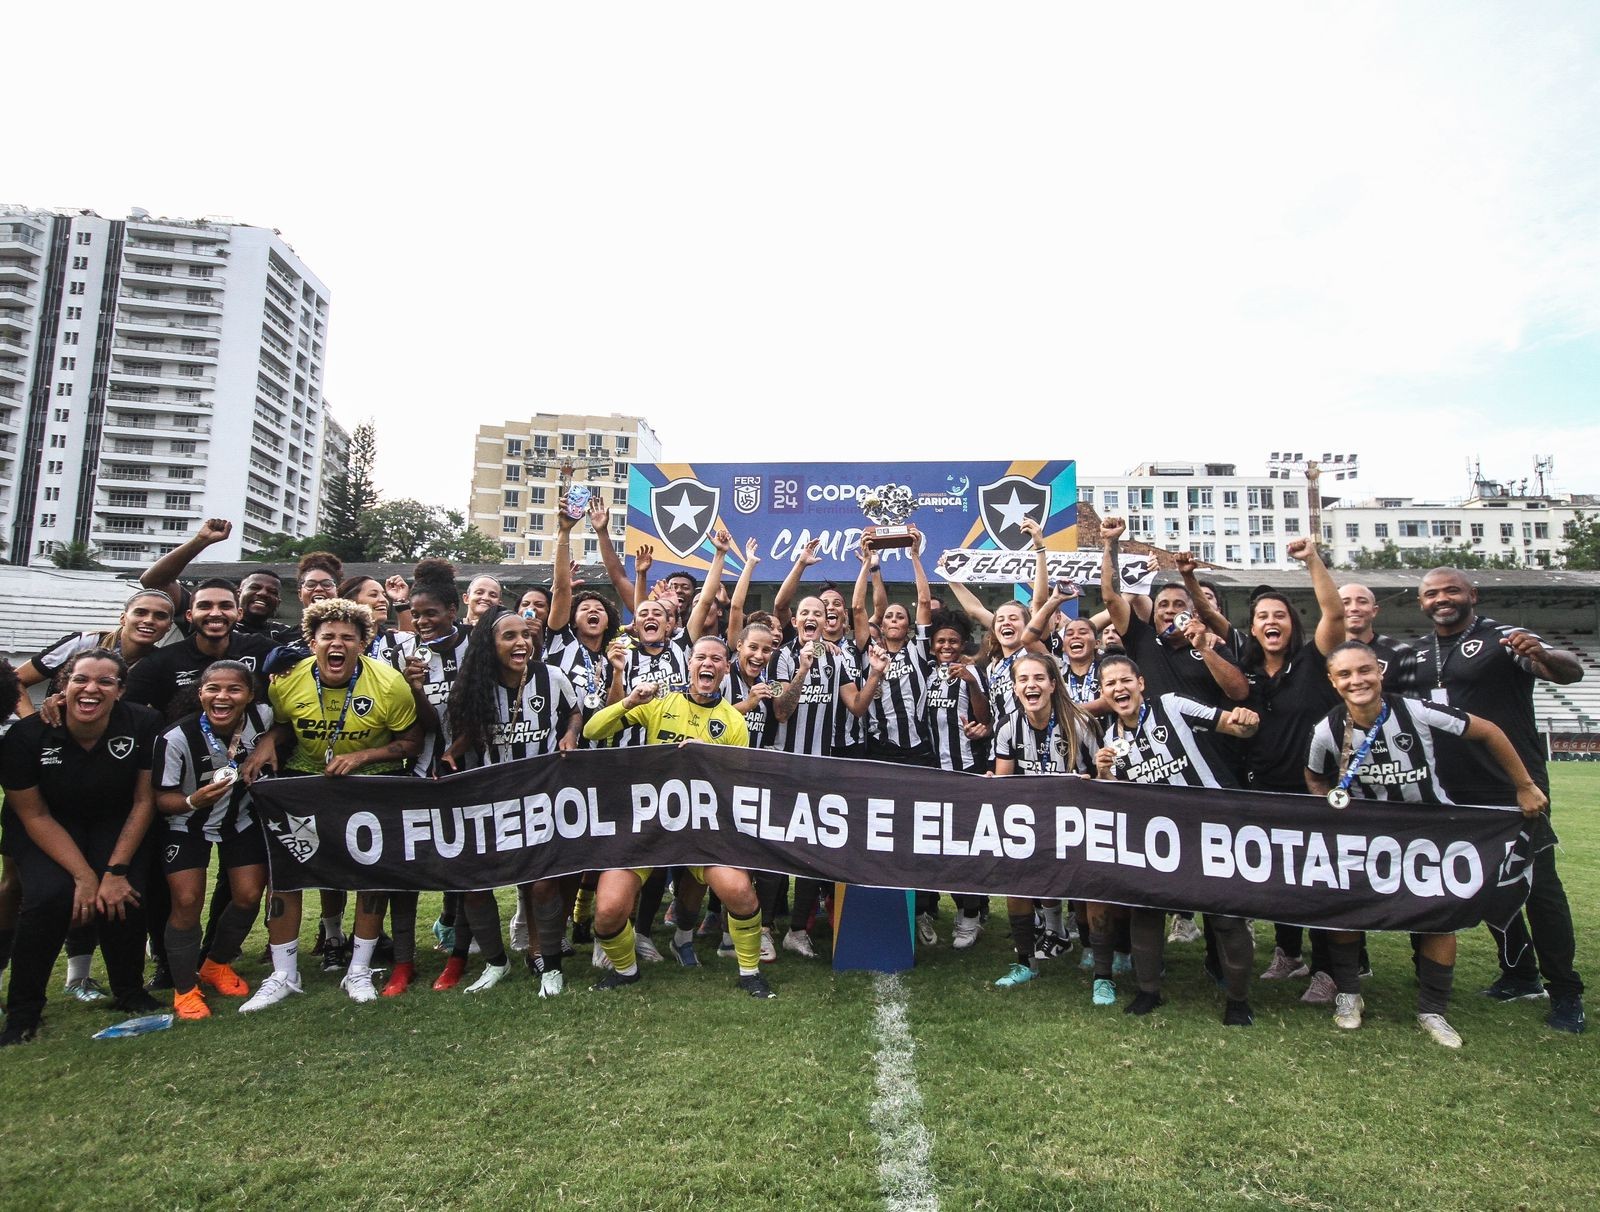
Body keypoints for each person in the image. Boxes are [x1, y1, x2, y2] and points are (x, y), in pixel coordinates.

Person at [1306, 640, 1549, 1046]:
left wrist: (1524, 785)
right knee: (1345, 912)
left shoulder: (1414, 711)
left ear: (1379, 672)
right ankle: (1349, 995)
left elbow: (1488, 730)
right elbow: (1316, 777)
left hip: (1429, 833)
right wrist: (1328, 807)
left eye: (1364, 670)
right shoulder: (1327, 730)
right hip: (1367, 835)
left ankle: (1433, 1009)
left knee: (1438, 916)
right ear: (1333, 682)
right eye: (1345, 674)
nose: (1357, 680)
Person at [1391, 567, 1586, 1034]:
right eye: (1431, 593)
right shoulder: (1415, 652)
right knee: (1477, 886)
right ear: (1421, 603)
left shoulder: (1505, 639)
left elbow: (1567, 671)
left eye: (1451, 590)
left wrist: (1542, 652)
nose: (1442, 599)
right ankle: (1518, 974)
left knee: (1539, 889)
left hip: (1511, 784)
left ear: (1471, 594)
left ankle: (1565, 991)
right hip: (1446, 790)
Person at [235, 599, 424, 1010]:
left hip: (369, 786)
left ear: (362, 644)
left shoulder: (388, 683)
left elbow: (411, 743)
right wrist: (270, 740)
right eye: (328, 637)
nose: (336, 644)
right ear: (312, 641)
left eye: (347, 638)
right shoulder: (286, 681)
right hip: (305, 784)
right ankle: (283, 973)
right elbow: (283, 725)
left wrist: (363, 757)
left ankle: (359, 969)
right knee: (288, 873)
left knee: (371, 877)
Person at [581, 637, 777, 999]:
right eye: (700, 657)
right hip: (650, 822)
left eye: (716, 659)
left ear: (725, 668)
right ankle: (626, 971)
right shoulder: (659, 703)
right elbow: (592, 731)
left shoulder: (733, 721)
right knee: (608, 912)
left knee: (739, 893)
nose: (708, 663)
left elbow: (736, 785)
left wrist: (707, 761)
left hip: (702, 826)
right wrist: (629, 701)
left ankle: (749, 974)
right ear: (690, 664)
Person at [0, 651, 164, 1045]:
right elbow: (34, 815)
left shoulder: (143, 723)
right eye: (81, 680)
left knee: (124, 895)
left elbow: (144, 802)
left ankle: (128, 990)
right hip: (48, 825)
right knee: (49, 898)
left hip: (114, 820)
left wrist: (114, 872)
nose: (91, 689)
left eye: (105, 682)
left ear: (121, 690)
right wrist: (84, 876)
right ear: (63, 686)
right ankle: (24, 1011)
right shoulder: (26, 737)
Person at [1091, 654, 1261, 1025]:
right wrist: (1104, 773)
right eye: (1110, 684)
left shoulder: (1172, 706)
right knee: (1146, 913)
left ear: (1141, 683)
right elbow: (1117, 795)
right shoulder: (1109, 738)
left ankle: (1237, 999)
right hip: (1157, 840)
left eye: (1125, 680)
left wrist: (1247, 721)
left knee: (1226, 917)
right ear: (1103, 693)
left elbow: (1234, 727)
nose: (1119, 688)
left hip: (1209, 829)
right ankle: (1149, 990)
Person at [445, 607, 580, 996]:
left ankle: (550, 967)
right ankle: (495, 963)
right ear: (490, 644)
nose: (522, 642)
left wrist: (570, 735)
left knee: (542, 885)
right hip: (493, 801)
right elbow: (473, 730)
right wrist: (454, 750)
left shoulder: (551, 677)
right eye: (510, 636)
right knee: (475, 884)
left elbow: (574, 711)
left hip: (541, 799)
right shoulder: (476, 686)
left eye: (525, 634)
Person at [1235, 538, 1347, 1001]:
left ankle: (1329, 969)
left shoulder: (1313, 662)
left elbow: (1336, 616)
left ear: (1292, 624)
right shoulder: (1248, 674)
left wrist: (1311, 561)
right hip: (1264, 789)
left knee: (1317, 881)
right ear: (1254, 630)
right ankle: (1288, 953)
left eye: (1279, 614)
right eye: (1262, 616)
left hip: (1313, 789)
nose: (1270, 621)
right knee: (1278, 878)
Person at [152, 661, 271, 1020]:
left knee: (249, 895)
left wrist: (269, 744)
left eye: (234, 689)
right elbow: (162, 798)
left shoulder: (263, 718)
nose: (223, 696)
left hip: (241, 820)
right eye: (213, 689)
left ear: (249, 695)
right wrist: (194, 800)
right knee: (187, 901)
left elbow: (280, 727)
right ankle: (184, 988)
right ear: (200, 693)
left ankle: (217, 963)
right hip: (187, 822)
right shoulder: (175, 738)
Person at [768, 592, 880, 957]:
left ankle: (797, 930)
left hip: (821, 768)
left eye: (820, 611)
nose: (814, 616)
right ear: (796, 621)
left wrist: (875, 675)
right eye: (806, 612)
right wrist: (802, 668)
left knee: (812, 850)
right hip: (783, 767)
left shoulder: (839, 659)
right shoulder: (780, 656)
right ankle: (766, 926)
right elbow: (782, 711)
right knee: (773, 850)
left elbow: (858, 707)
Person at [990, 653, 1099, 988]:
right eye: (1023, 679)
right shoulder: (1008, 726)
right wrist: (995, 782)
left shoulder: (1080, 723)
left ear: (1053, 684)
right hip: (1029, 821)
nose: (1030, 685)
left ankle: (1093, 948)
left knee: (1081, 889)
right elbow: (1005, 784)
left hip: (1075, 820)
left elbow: (1103, 776)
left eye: (1038, 678)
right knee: (1017, 886)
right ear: (1015, 687)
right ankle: (1025, 961)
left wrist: (1090, 782)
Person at [923, 610, 992, 949]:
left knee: (964, 847)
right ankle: (929, 910)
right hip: (931, 771)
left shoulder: (973, 672)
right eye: (941, 641)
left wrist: (970, 683)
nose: (947, 646)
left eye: (952, 640)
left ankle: (970, 915)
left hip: (965, 769)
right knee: (932, 847)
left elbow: (985, 719)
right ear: (933, 646)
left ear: (962, 642)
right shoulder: (927, 673)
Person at [14, 588, 178, 718]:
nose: (149, 620)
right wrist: (32, 723)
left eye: (160, 616)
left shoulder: (159, 664)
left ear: (169, 626)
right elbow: (15, 681)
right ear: (123, 618)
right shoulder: (85, 643)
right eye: (140, 612)